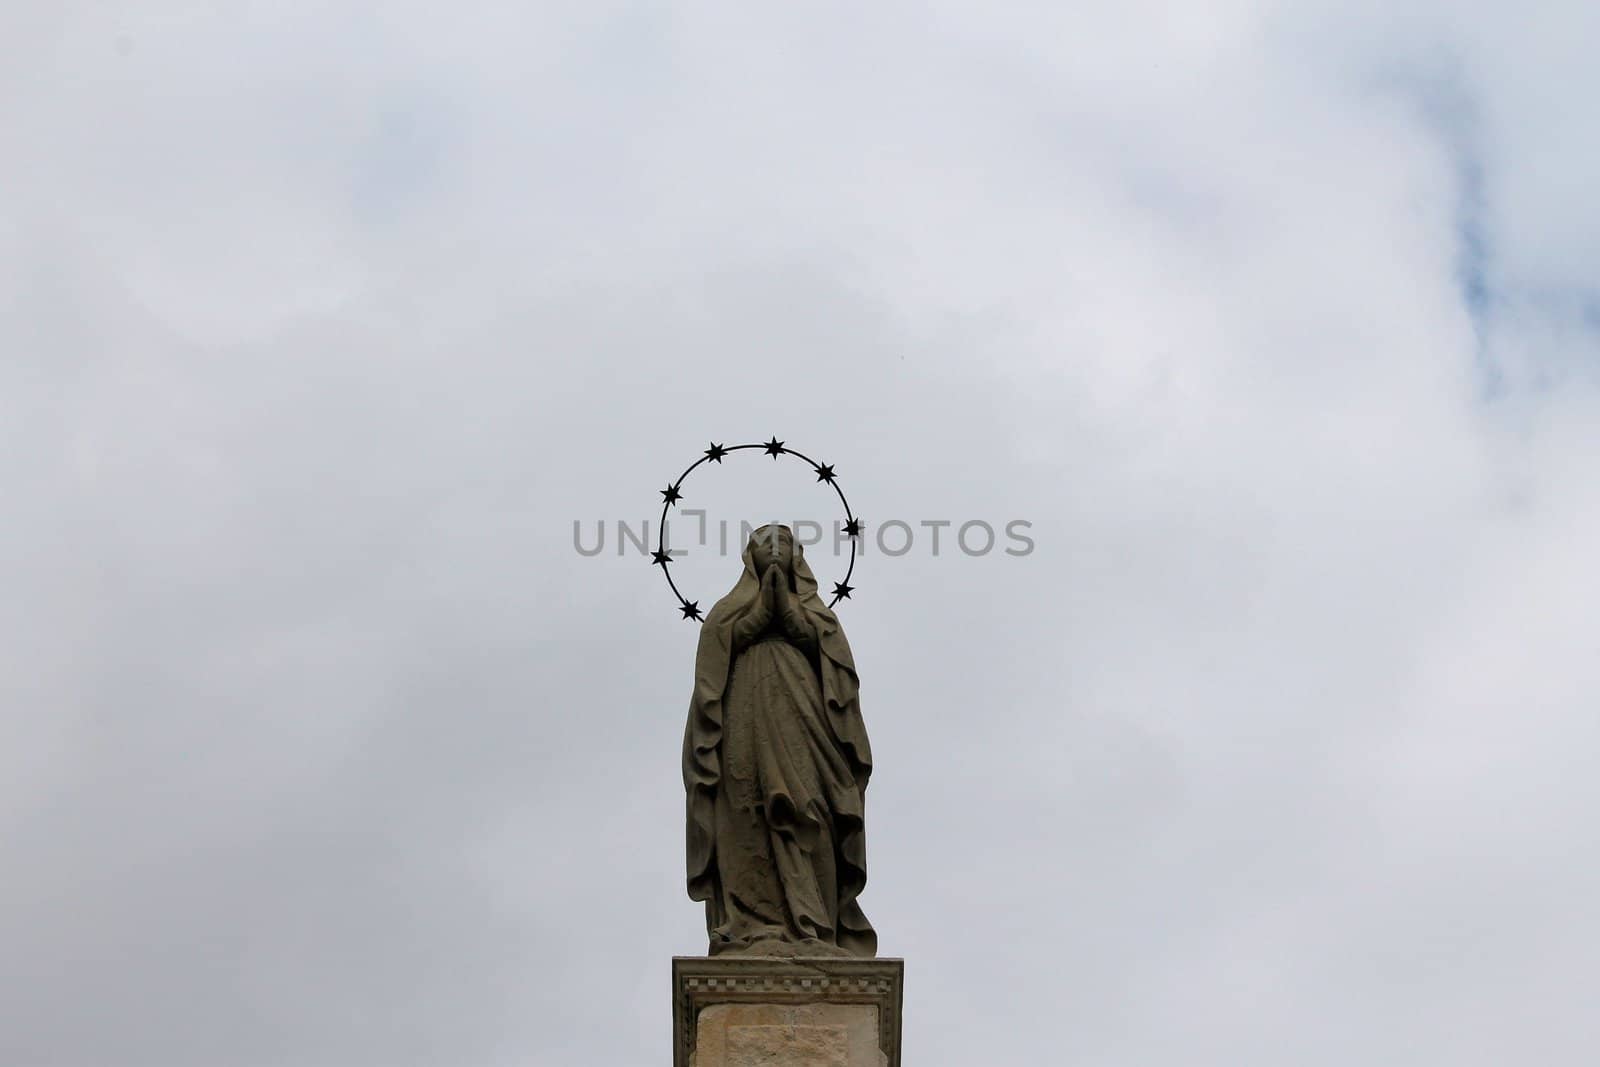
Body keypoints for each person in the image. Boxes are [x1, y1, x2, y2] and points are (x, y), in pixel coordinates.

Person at [682, 524, 876, 957]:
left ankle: (815, 926)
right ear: (749, 557)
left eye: (783, 542)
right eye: (763, 543)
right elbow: (710, 671)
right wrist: (751, 623)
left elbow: (840, 675)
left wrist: (789, 617)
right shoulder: (726, 612)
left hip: (805, 719)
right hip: (744, 718)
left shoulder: (820, 616)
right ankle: (752, 926)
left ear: (797, 556)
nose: (774, 549)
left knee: (810, 808)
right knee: (748, 807)